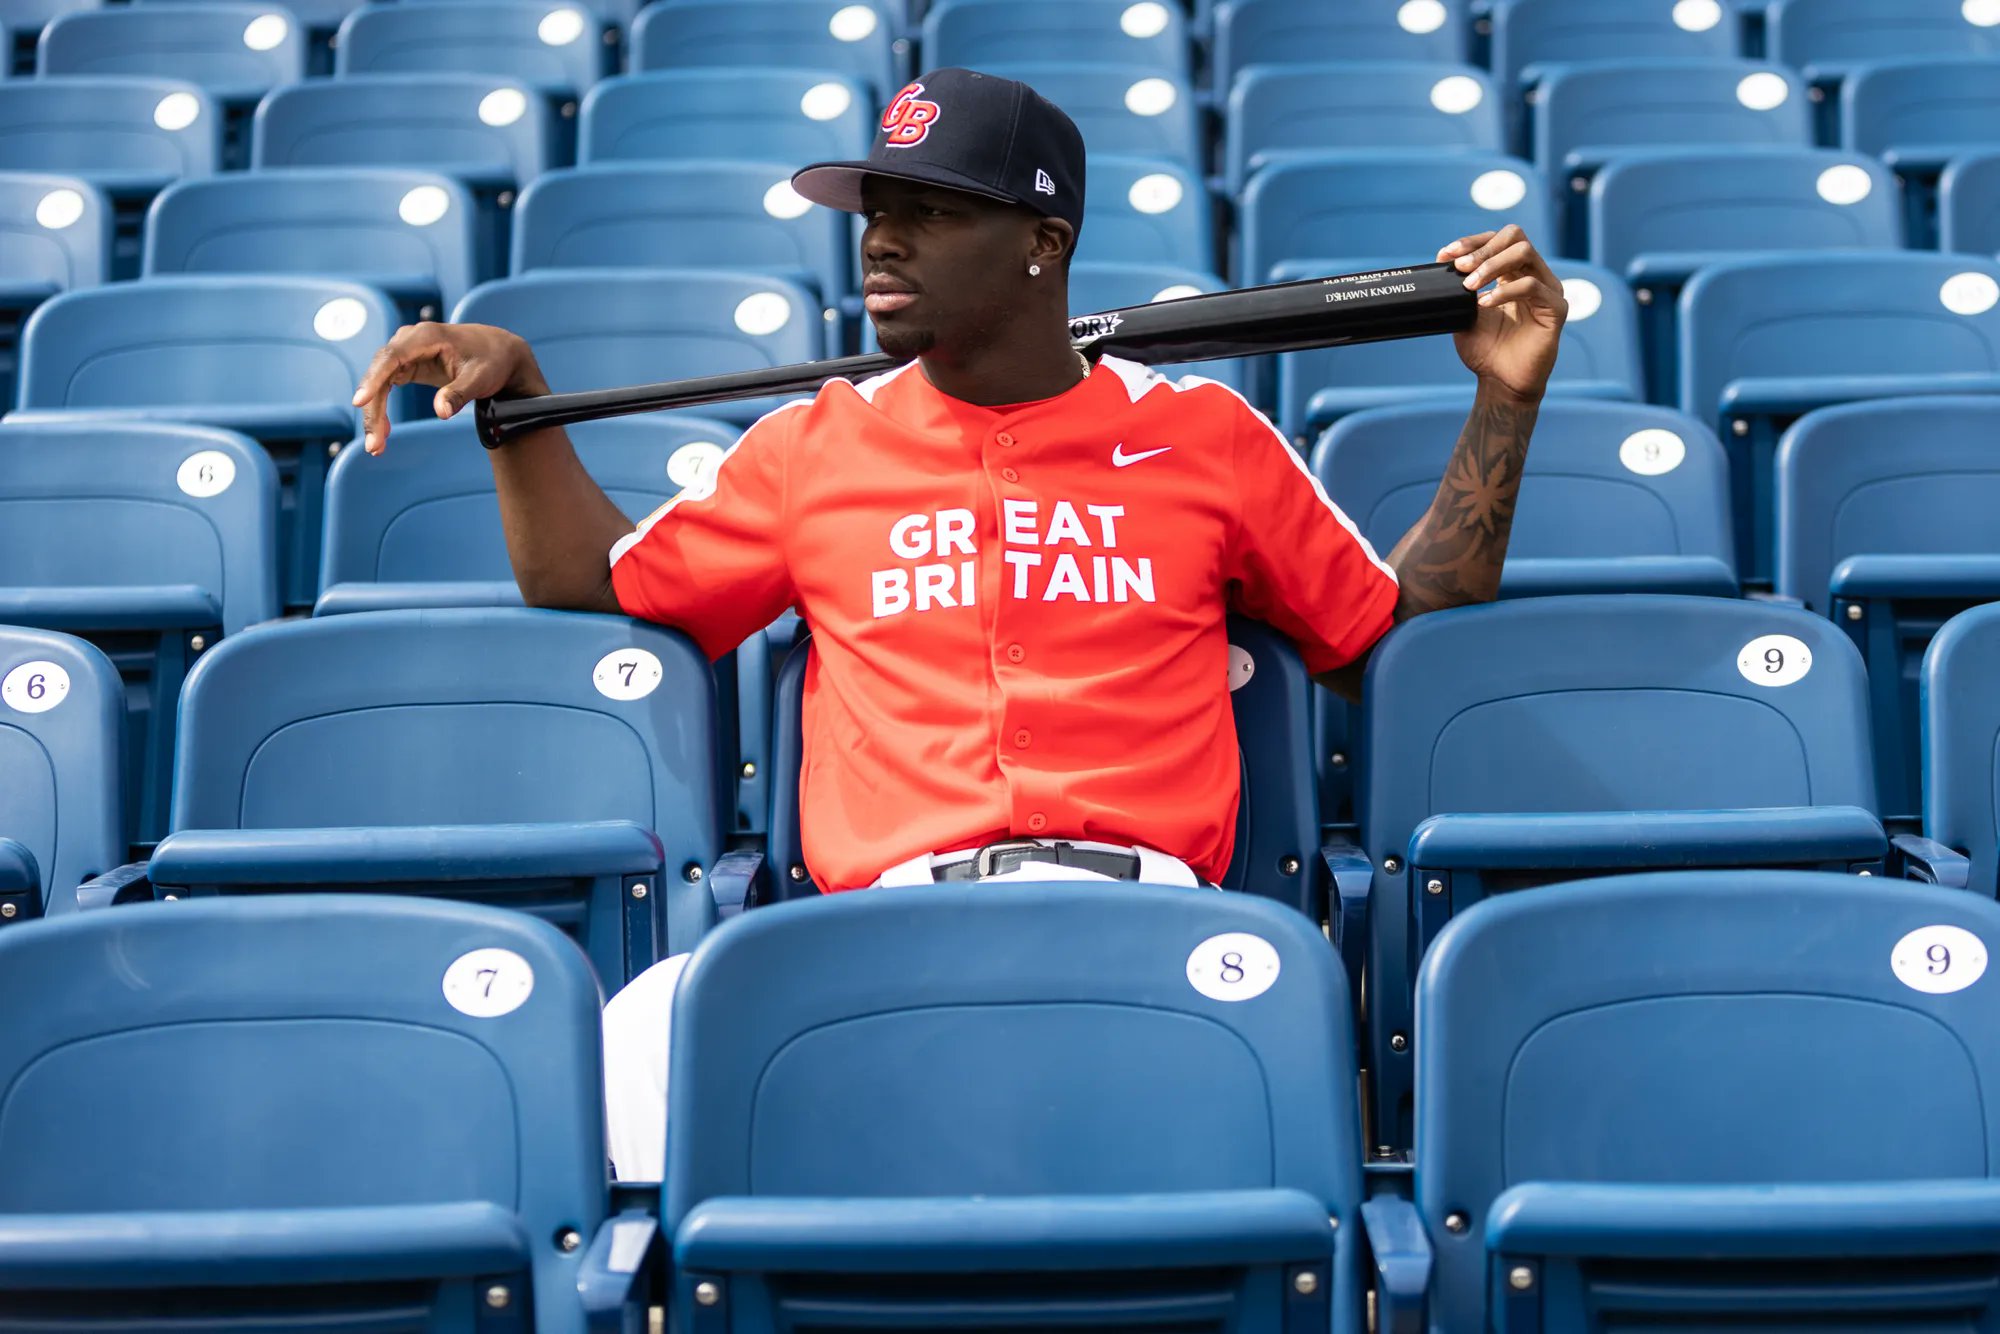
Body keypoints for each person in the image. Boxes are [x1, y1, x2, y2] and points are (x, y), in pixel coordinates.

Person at [349, 68, 1569, 1178]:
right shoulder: (807, 450)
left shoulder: (1207, 439)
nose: (880, 238)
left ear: (1043, 241)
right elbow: (592, 584)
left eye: (932, 210)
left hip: (1143, 931)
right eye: (876, 208)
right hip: (887, 931)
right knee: (638, 1028)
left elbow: (1389, 644)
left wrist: (1502, 403)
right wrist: (519, 397)